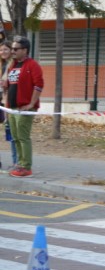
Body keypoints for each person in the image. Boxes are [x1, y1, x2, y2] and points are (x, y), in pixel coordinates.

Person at [5, 36, 43, 178]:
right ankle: (20, 164)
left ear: (25, 50)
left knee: (23, 137)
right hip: (12, 108)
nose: (13, 51)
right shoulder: (13, 65)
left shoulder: (32, 65)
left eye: (16, 49)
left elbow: (39, 85)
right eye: (12, 49)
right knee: (15, 137)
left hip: (24, 108)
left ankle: (26, 167)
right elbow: (9, 86)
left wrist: (31, 104)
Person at [0, 40, 18, 169]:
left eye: (5, 49)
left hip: (9, 102)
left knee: (13, 134)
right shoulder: (2, 64)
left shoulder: (13, 64)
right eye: (1, 50)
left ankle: (16, 162)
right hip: (2, 101)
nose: (3, 52)